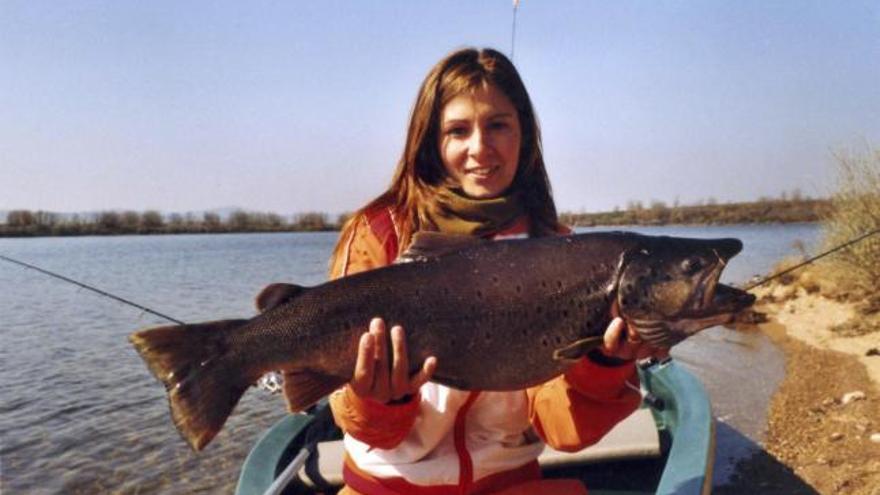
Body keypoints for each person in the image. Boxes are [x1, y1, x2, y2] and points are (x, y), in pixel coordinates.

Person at [284, 47, 664, 495]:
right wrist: (381, 397)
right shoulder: (379, 232)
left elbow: (563, 432)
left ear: (524, 133)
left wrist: (603, 366)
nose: (479, 148)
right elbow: (366, 428)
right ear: (430, 140)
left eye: (498, 125)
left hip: (510, 484)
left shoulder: (559, 246)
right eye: (458, 130)